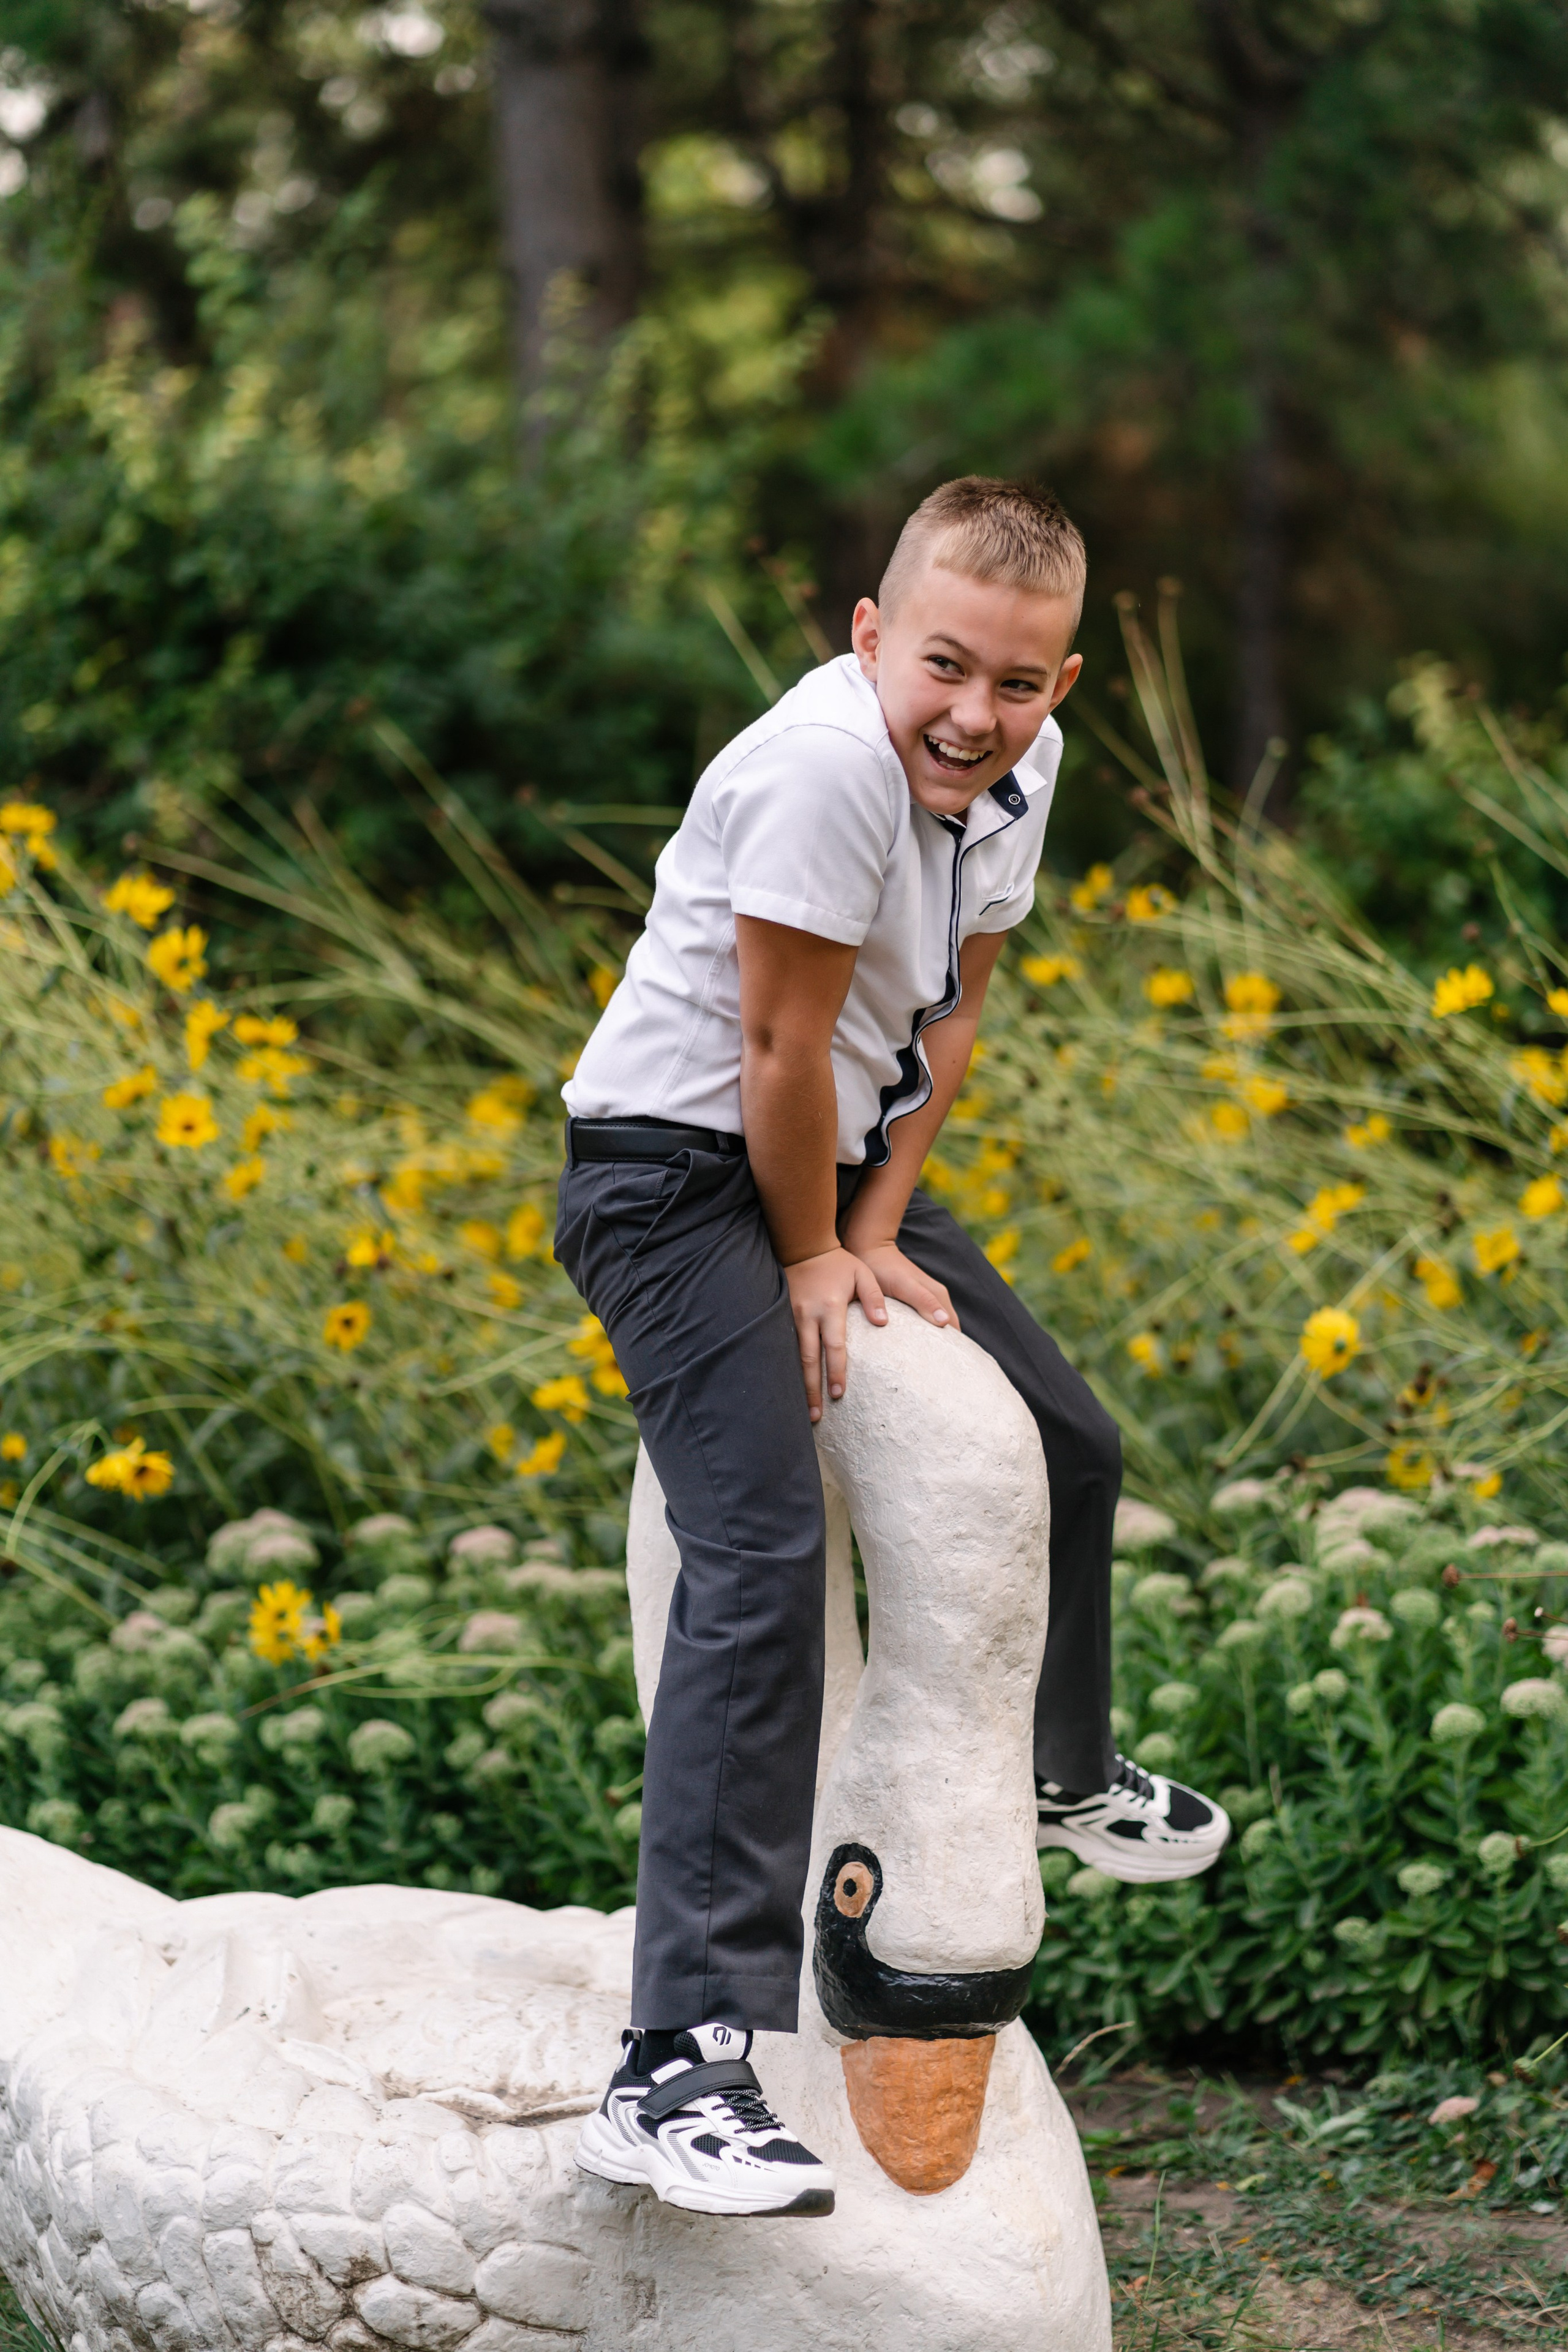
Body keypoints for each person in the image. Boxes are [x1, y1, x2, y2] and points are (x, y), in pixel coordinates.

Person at [556, 477, 1230, 2219]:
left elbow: (952, 1013)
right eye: (941, 666)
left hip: (830, 1163)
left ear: (1060, 686)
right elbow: (777, 1048)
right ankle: (676, 2060)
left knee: (1070, 1439)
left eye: (1014, 683)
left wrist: (866, 1232)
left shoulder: (1021, 768)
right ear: (871, 638)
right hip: (674, 1174)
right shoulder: (822, 767)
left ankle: (1057, 1766)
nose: (972, 713)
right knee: (764, 1552)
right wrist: (803, 1259)